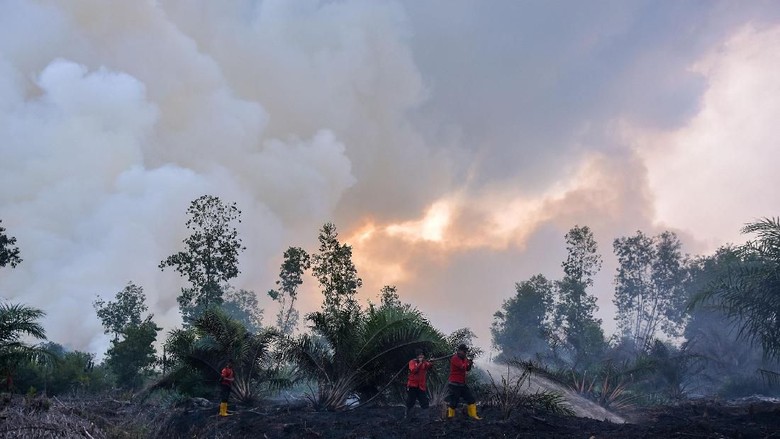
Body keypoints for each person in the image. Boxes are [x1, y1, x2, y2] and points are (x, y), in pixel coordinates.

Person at [447, 344, 481, 420]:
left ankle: (473, 416)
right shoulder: (455, 358)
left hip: (462, 384)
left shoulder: (463, 358)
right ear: (459, 351)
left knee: (471, 399)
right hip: (454, 384)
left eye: (465, 351)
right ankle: (450, 418)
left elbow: (467, 369)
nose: (465, 353)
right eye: (464, 351)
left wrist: (470, 364)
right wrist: (467, 362)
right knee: (454, 402)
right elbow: (462, 367)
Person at [405, 348, 433, 418]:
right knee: (411, 401)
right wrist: (420, 363)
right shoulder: (412, 362)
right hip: (412, 386)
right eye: (420, 356)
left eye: (422, 355)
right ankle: (407, 415)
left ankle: (426, 417)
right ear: (417, 356)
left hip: (421, 386)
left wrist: (431, 362)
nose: (421, 357)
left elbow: (429, 365)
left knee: (424, 401)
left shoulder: (425, 363)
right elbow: (414, 370)